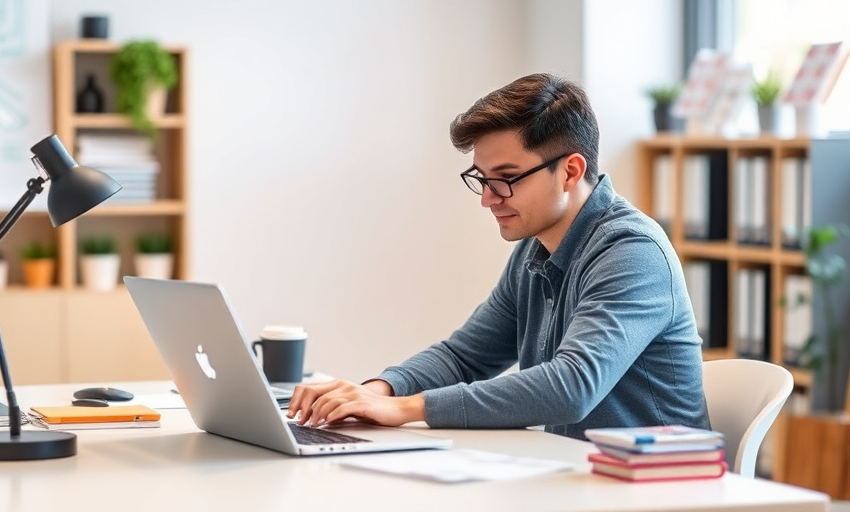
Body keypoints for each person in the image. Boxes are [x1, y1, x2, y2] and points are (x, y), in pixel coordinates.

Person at [286, 73, 710, 440]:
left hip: (656, 490)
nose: (488, 199)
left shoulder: (633, 251)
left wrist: (408, 409)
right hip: (579, 479)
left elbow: (572, 387)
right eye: (482, 179)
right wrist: (379, 391)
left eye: (506, 179)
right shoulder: (537, 246)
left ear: (571, 171)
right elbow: (465, 357)